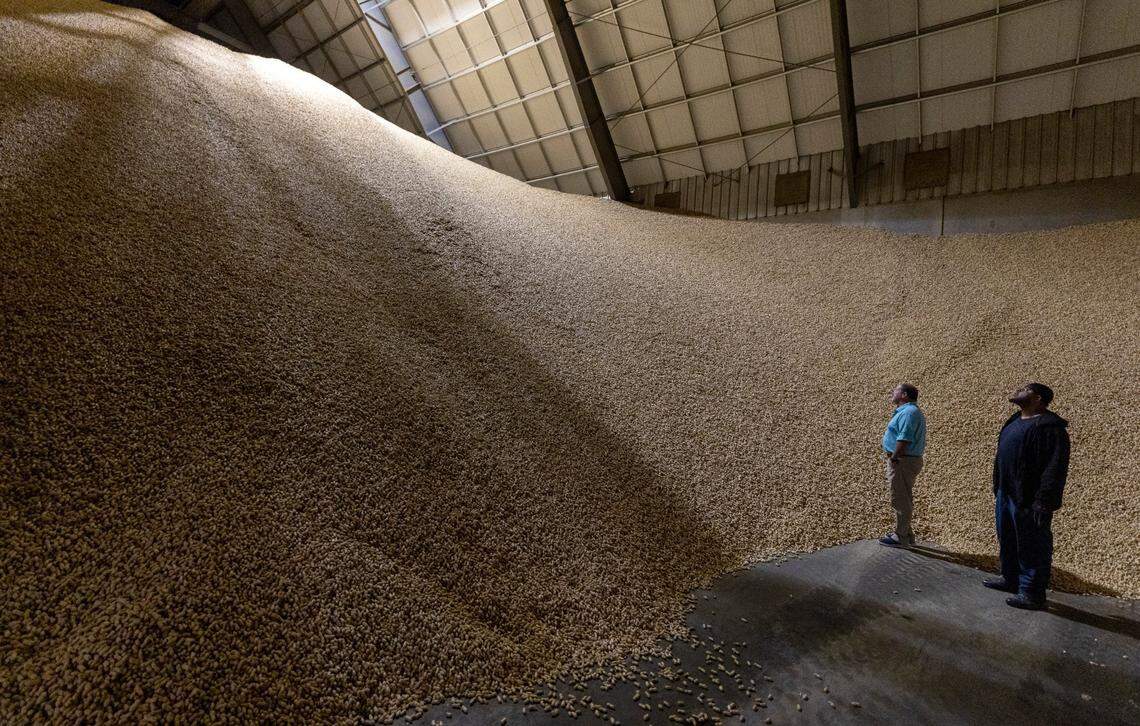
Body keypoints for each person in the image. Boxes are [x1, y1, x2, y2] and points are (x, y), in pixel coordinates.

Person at [984, 382, 1070, 610]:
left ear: (1038, 398)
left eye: (1025, 389)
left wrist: (1044, 502)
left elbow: (1055, 467)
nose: (1018, 390)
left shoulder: (1050, 428)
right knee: (1008, 538)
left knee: (1032, 544)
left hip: (1029, 498)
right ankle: (1010, 579)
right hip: (1007, 492)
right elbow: (1001, 453)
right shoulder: (1014, 420)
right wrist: (998, 484)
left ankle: (1032, 592)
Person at [879, 383, 927, 548]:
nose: (892, 392)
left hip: (902, 460)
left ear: (904, 395)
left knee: (900, 498)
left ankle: (900, 537)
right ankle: (907, 534)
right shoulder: (909, 411)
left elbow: (904, 437)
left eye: (896, 390)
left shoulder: (909, 413)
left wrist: (894, 457)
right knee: (904, 497)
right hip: (904, 459)